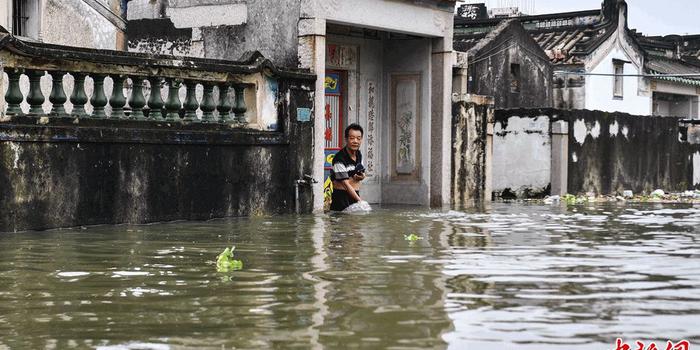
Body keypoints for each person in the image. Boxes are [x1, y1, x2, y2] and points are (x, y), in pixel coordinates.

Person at [330, 124, 366, 211]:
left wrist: (362, 176)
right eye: (352, 138)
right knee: (343, 223)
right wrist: (361, 201)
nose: (355, 141)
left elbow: (360, 172)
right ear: (346, 139)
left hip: (354, 195)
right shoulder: (339, 159)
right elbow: (345, 184)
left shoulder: (358, 154)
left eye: (358, 138)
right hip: (341, 199)